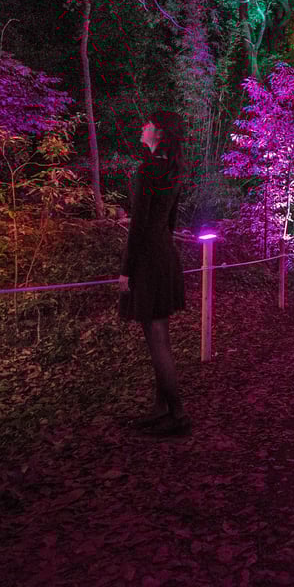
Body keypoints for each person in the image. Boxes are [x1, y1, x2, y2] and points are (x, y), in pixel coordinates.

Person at [118, 110, 190, 436]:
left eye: (146, 124)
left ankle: (176, 412)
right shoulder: (173, 171)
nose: (142, 127)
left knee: (156, 338)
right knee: (161, 337)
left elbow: (138, 227)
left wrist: (125, 271)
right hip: (166, 255)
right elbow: (170, 222)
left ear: (157, 133)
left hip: (148, 258)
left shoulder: (147, 169)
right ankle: (162, 407)